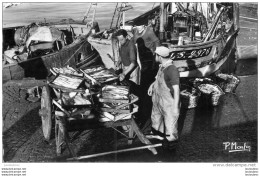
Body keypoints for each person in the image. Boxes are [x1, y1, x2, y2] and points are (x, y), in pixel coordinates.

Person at [146, 46, 180, 149]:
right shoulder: (162, 66)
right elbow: (158, 79)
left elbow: (177, 90)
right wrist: (151, 86)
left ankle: (171, 143)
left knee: (170, 123)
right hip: (158, 99)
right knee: (156, 117)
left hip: (168, 102)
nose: (154, 56)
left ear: (159, 56)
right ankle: (158, 134)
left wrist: (175, 107)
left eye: (155, 54)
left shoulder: (172, 69)